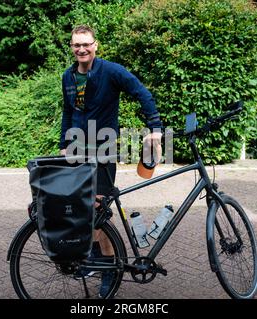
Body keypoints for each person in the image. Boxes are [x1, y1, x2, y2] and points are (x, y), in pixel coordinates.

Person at [59, 25, 162, 298]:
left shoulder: (111, 71)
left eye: (86, 44)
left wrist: (155, 127)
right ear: (72, 48)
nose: (81, 49)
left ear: (95, 45)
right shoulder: (68, 76)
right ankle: (94, 257)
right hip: (77, 152)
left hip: (103, 151)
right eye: (76, 45)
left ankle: (108, 269)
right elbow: (68, 113)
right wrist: (63, 145)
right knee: (82, 211)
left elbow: (141, 92)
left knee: (98, 212)